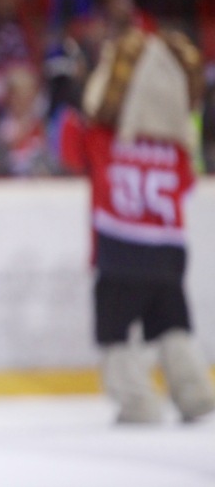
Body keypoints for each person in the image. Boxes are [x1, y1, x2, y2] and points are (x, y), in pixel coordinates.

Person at [59, 25, 215, 424]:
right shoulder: (175, 146)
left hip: (119, 248)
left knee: (114, 330)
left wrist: (75, 108)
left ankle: (137, 402)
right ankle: (194, 393)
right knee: (172, 323)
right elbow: (185, 186)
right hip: (168, 250)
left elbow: (72, 154)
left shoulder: (104, 138)